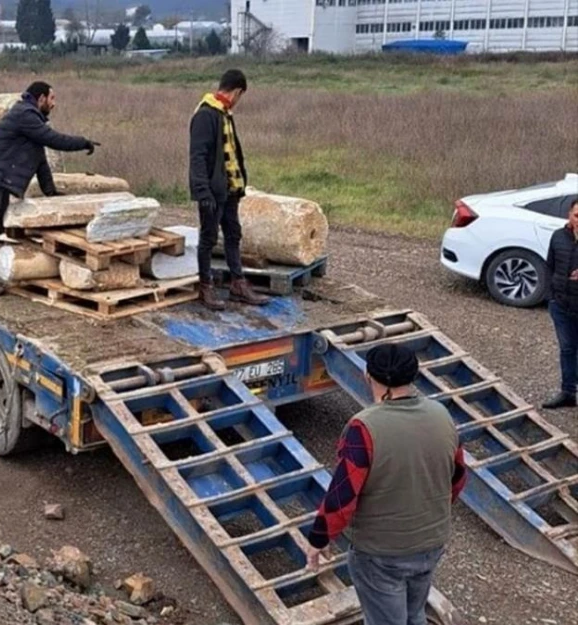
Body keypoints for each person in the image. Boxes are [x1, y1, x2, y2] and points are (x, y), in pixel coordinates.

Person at [303, 344, 467, 625]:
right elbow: (458, 477)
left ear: (368, 376)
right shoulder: (441, 415)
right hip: (431, 543)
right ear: (413, 376)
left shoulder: (364, 427)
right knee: (414, 614)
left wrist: (319, 538)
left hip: (381, 554)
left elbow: (343, 495)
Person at [0, 81, 99, 296]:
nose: (54, 103)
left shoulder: (30, 119)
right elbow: (53, 140)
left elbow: (39, 158)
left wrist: (50, 191)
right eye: (52, 98)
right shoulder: (24, 114)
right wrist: (82, 142)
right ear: (41, 98)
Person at [188, 68, 269, 310]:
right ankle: (206, 286)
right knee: (208, 239)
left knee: (233, 235)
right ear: (236, 91)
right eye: (240, 95)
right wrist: (203, 191)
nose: (238, 100)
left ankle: (238, 283)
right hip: (213, 191)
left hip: (230, 189)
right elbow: (198, 156)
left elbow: (232, 153)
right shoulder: (205, 115)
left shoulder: (225, 114)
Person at [543, 198, 578, 409]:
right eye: (577, 215)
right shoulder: (558, 237)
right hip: (561, 306)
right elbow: (549, 267)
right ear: (569, 215)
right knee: (567, 350)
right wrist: (551, 298)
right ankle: (568, 392)